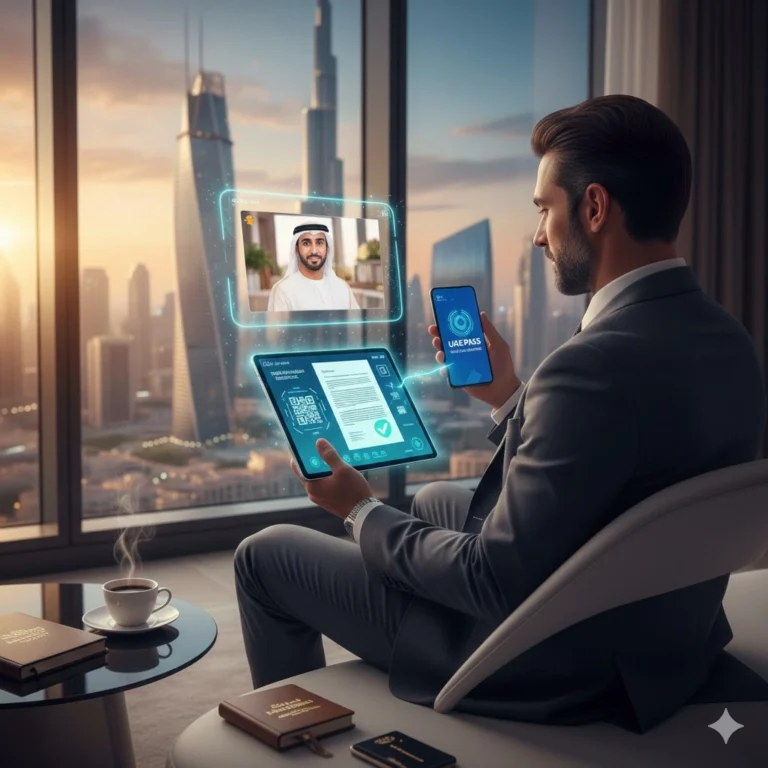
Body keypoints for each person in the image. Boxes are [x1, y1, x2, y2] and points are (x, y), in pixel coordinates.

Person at [234, 95, 766, 732]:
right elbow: (626, 466)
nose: (539, 233)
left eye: (544, 208)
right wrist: (512, 395)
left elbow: (492, 581)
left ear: (594, 208)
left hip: (548, 658)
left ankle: (291, 735)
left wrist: (358, 510)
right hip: (661, 633)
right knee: (435, 499)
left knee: (266, 555)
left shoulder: (593, 364)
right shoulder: (728, 338)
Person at [267, 222, 360, 311]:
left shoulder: (342, 288)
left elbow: (358, 325)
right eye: (306, 243)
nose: (314, 251)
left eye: (319, 243)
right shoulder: (283, 290)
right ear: (296, 250)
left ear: (327, 249)